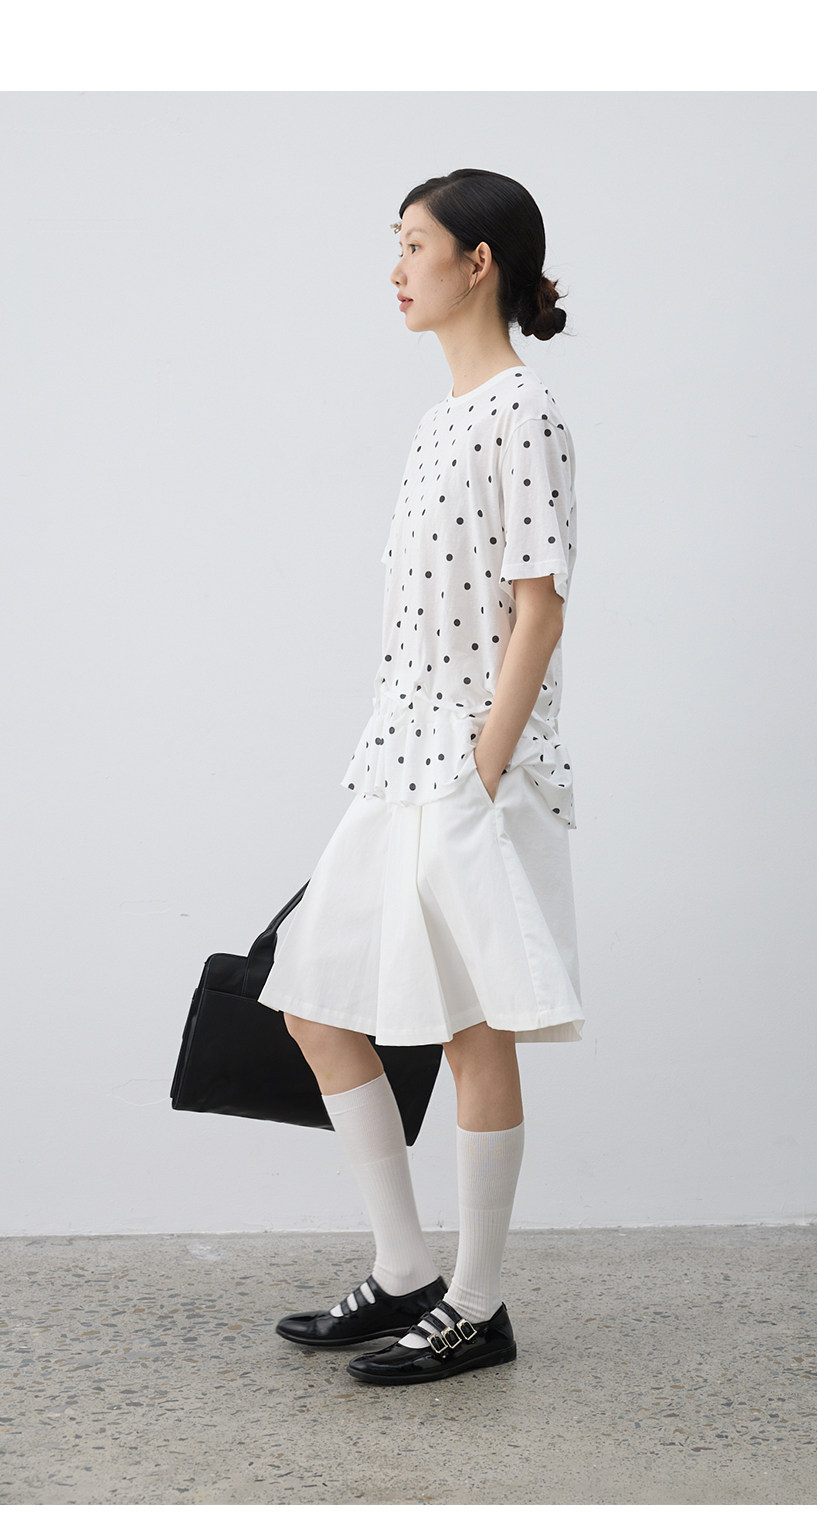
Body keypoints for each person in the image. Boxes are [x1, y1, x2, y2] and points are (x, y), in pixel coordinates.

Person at [257, 168, 584, 1385]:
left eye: (414, 244)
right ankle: (404, 1269)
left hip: (469, 767)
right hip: (400, 756)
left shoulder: (523, 410)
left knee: (467, 1025)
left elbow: (539, 611)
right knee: (314, 1001)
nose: (396, 269)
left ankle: (477, 1303)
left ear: (477, 262)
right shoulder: (441, 417)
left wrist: (480, 774)